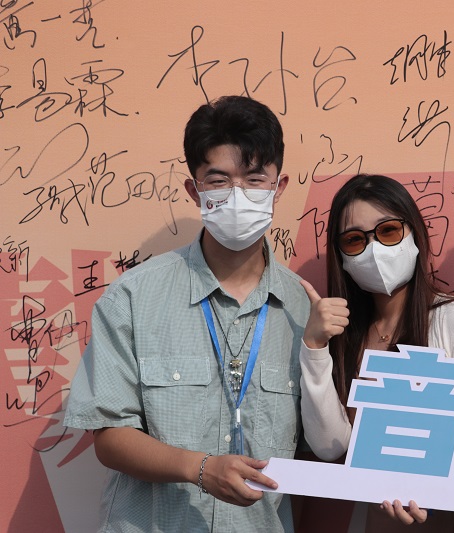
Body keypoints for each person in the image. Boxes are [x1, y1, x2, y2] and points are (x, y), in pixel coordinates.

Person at [64, 96, 310, 532]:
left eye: (255, 179)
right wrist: (200, 469)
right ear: (194, 190)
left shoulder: (303, 308)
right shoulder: (133, 297)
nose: (238, 194)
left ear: (279, 186)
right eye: (219, 180)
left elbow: (323, 440)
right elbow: (109, 438)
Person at [298, 174, 454, 532]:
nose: (374, 249)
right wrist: (315, 347)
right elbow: (330, 446)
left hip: (444, 520)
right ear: (341, 255)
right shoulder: (346, 335)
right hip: (373, 522)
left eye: (388, 231)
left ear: (414, 234)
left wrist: (423, 474)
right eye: (354, 240)